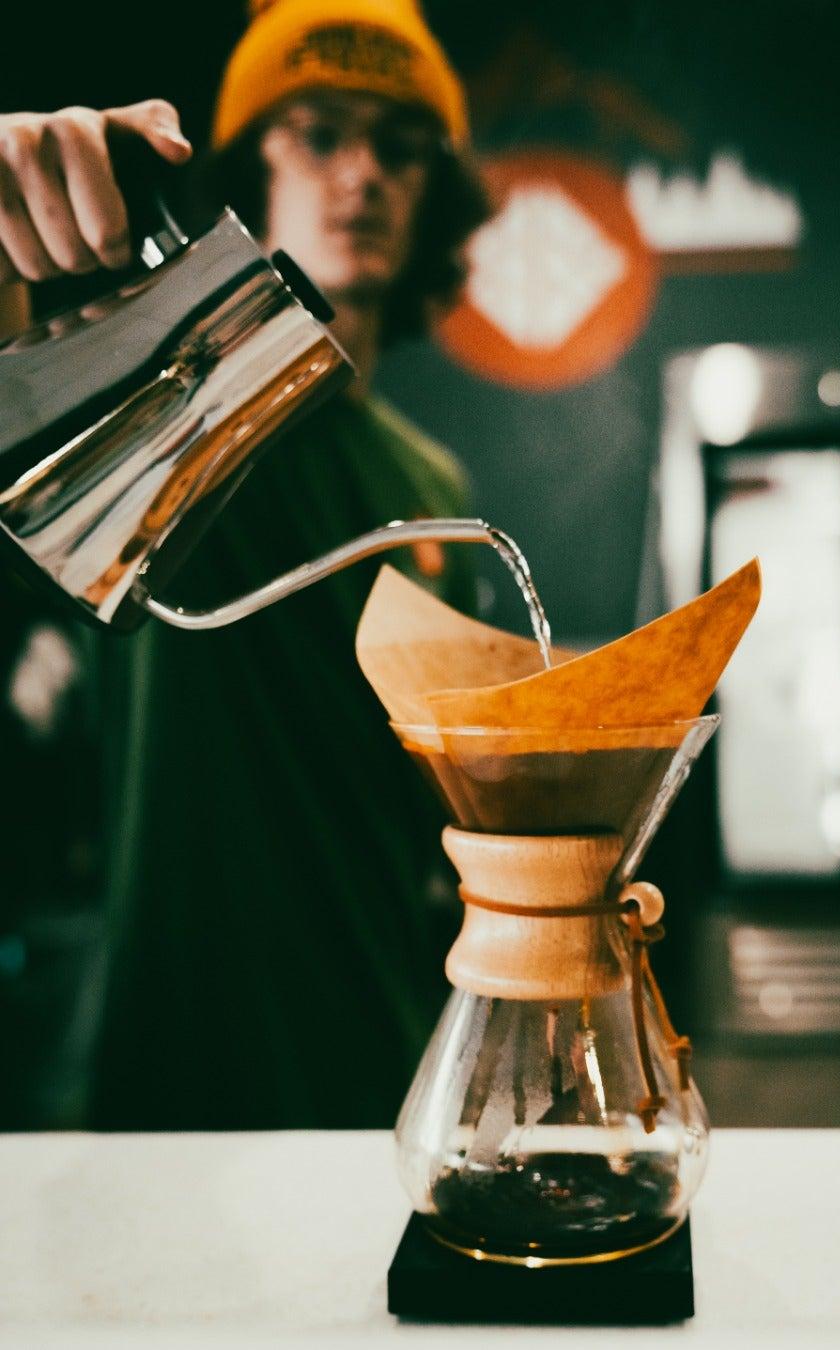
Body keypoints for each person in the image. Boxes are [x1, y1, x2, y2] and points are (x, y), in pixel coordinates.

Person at [0, 0, 490, 1128]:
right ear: (250, 166)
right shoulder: (168, 418)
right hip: (160, 1074)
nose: (362, 175)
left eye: (400, 146)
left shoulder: (435, 490)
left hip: (384, 1067)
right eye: (318, 134)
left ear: (434, 192)